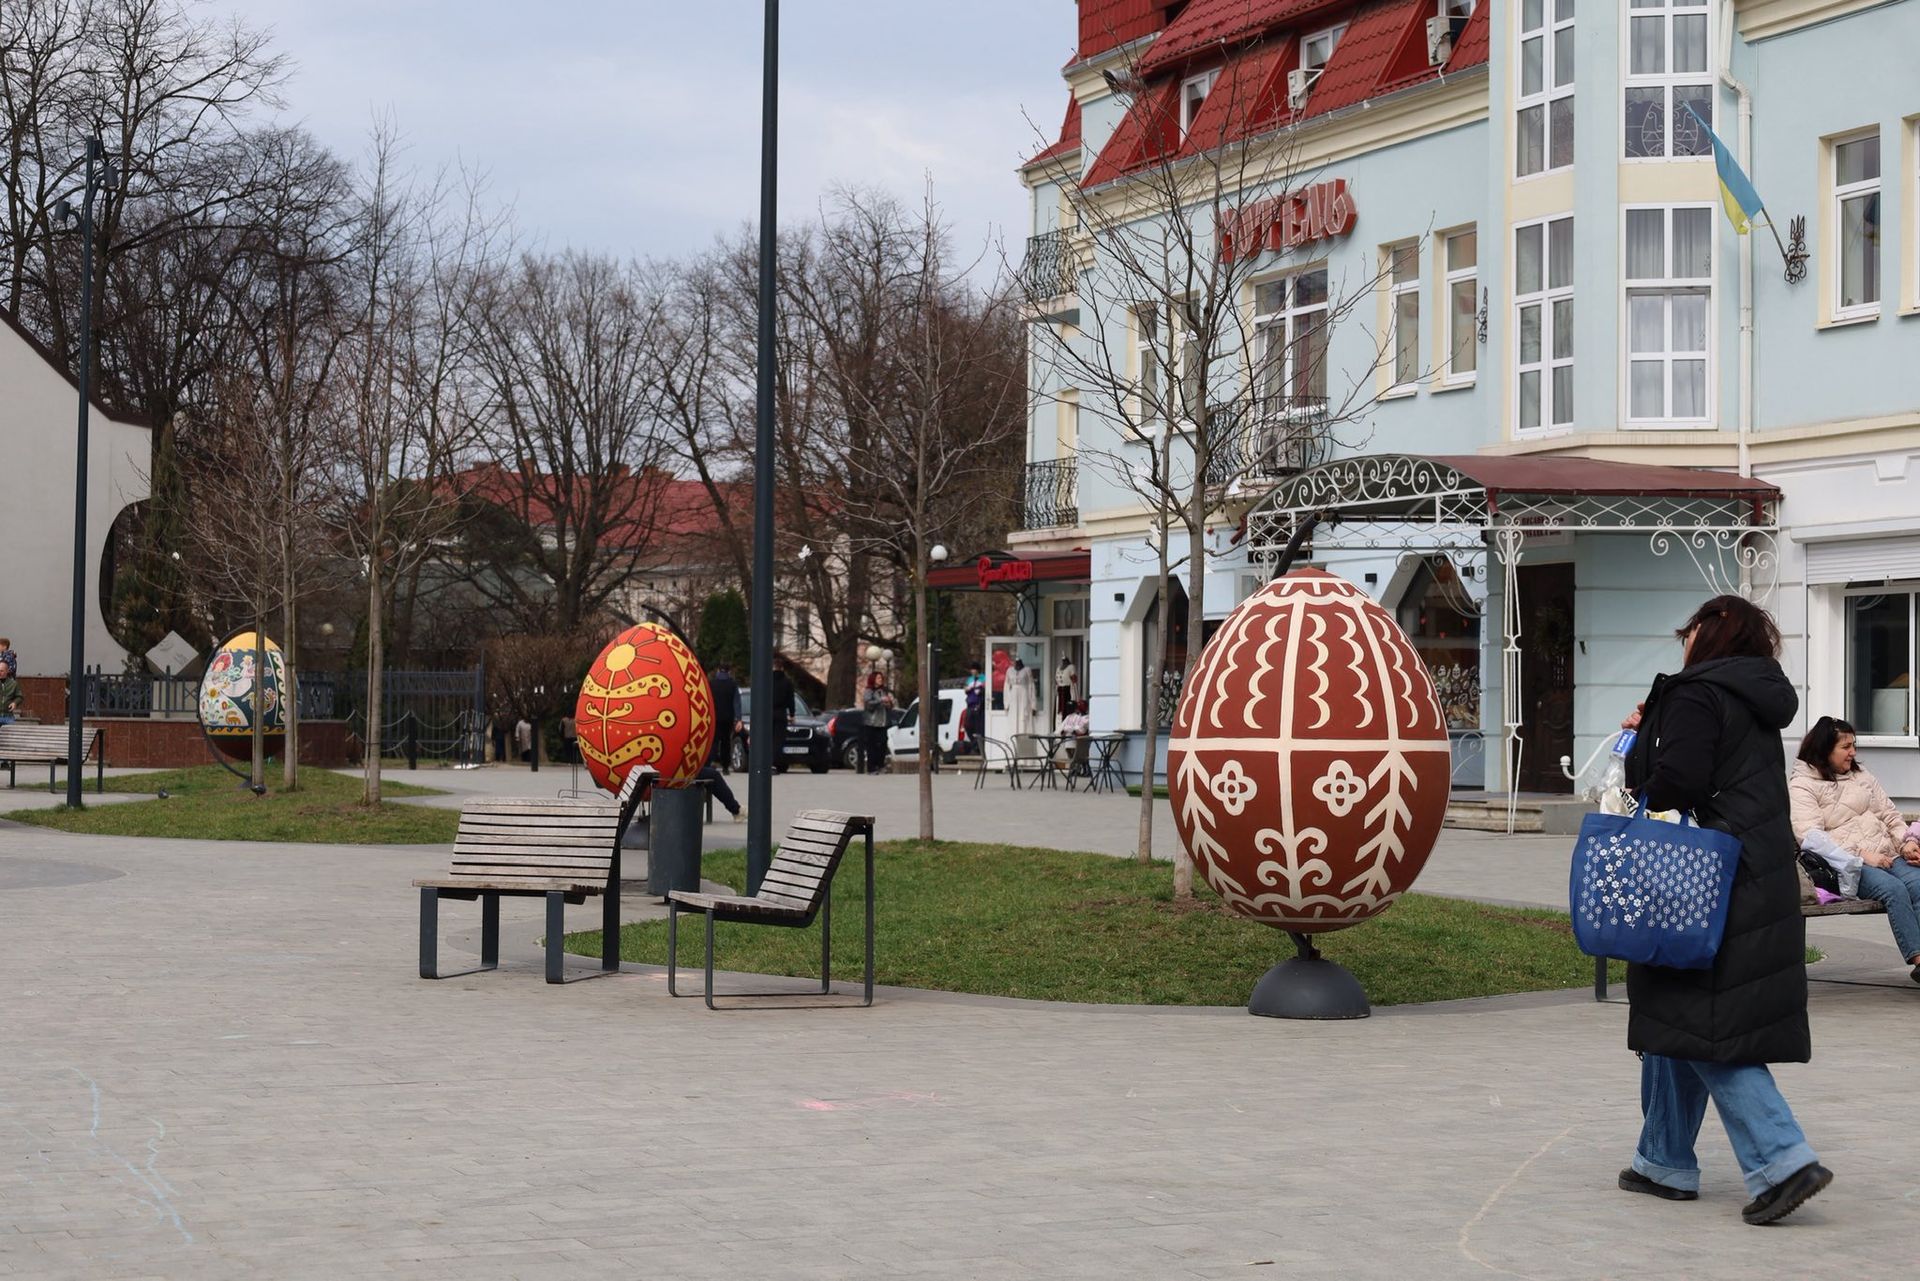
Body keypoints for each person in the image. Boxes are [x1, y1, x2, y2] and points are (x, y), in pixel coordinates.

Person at [1615, 595, 1830, 1224]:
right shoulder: (1755, 698)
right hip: (1757, 867)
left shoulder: (1693, 693)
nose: (1682, 643)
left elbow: (1676, 782)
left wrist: (1644, 741)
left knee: (1702, 1018)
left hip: (1705, 874)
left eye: (1688, 632)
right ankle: (1663, 1160)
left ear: (1706, 634)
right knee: (1680, 1010)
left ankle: (1783, 1159)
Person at [1788, 716, 1920, 982]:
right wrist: (1860, 855)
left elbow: (1889, 815)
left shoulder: (1861, 776)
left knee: (1918, 883)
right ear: (1825, 749)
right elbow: (1812, 838)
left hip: (1888, 854)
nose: (1853, 752)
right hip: (1845, 866)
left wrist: (1907, 842)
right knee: (1893, 891)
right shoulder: (1802, 785)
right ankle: (1919, 959)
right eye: (1846, 747)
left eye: (1853, 745)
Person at [709, 662, 740, 773]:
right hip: (728, 718)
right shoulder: (733, 684)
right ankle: (725, 766)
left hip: (715, 717)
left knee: (714, 741)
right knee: (726, 742)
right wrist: (738, 718)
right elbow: (736, 702)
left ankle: (711, 763)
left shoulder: (712, 684)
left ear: (718, 670)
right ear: (729, 672)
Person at [861, 671, 893, 775]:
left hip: (882, 722)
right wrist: (880, 701)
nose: (880, 680)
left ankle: (880, 765)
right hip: (871, 723)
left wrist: (889, 703)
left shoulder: (883, 691)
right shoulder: (869, 691)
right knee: (872, 746)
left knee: (883, 744)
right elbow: (868, 704)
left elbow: (889, 707)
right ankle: (871, 768)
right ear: (873, 679)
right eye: (878, 678)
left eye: (881, 678)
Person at [768, 662, 795, 774]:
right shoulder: (787, 682)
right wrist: (792, 714)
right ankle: (774, 764)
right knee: (778, 741)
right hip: (781, 713)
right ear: (782, 668)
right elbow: (791, 700)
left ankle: (766, 763)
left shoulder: (767, 680)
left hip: (767, 713)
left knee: (768, 740)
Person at [1006, 657, 1036, 739]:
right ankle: (1013, 741)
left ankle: (1023, 740)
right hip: (1013, 696)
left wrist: (1033, 705)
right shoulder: (1009, 670)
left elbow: (1031, 686)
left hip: (1024, 694)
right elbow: (1006, 687)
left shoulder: (1027, 670)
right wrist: (1006, 704)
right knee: (1014, 717)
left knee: (1023, 716)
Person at [963, 661, 986, 754]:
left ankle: (978, 746)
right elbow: (965, 689)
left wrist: (979, 689)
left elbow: (984, 688)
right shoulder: (970, 679)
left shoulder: (983, 678)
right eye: (971, 669)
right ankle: (974, 743)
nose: (972, 671)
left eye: (974, 669)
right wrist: (968, 688)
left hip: (978, 705)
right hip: (970, 705)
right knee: (968, 726)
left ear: (977, 670)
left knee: (978, 728)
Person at [0, 658, 22, 725]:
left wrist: (15, 703)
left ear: (7, 671)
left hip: (8, 716)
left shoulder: (13, 684)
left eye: (1, 671)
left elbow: (19, 696)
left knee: (13, 731)